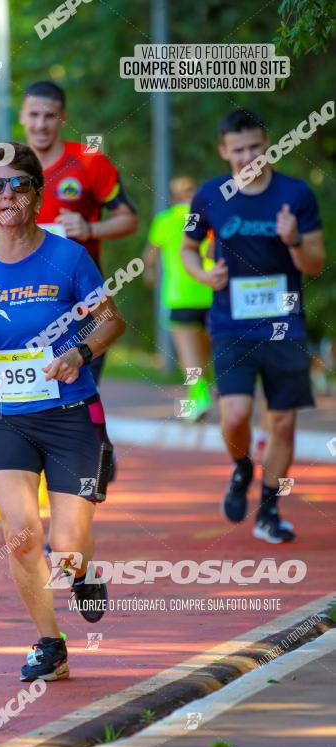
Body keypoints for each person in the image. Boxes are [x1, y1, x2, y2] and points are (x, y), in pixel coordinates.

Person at [0, 143, 125, 681]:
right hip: (7, 419)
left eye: (18, 185)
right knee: (20, 534)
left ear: (37, 196)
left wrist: (79, 352)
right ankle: (50, 643)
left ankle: (82, 569)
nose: (6, 195)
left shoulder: (67, 256)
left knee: (67, 547)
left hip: (71, 414)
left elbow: (110, 321)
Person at [181, 109, 325, 543]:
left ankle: (269, 510)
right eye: (238, 149)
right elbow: (189, 249)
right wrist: (204, 274)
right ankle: (242, 466)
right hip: (231, 323)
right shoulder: (209, 196)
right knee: (236, 413)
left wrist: (294, 239)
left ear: (268, 145)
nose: (248, 157)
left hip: (285, 322)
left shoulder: (296, 195)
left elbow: (315, 264)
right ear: (224, 151)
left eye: (255, 147)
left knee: (282, 423)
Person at [19, 80, 137, 384]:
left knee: (82, 395)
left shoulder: (88, 160)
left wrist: (89, 227)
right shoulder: (10, 166)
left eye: (50, 116)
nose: (41, 124)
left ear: (63, 119)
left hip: (81, 301)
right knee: (33, 397)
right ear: (22, 116)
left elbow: (129, 220)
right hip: (23, 298)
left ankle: (92, 431)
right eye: (34, 115)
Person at [143, 177, 213, 421]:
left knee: (189, 357)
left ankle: (200, 395)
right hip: (211, 292)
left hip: (178, 296)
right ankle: (199, 398)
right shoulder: (207, 216)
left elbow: (149, 258)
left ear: (172, 197)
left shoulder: (164, 220)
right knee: (204, 353)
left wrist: (150, 274)